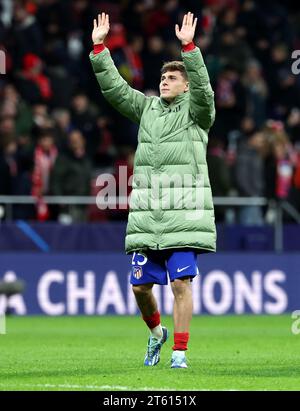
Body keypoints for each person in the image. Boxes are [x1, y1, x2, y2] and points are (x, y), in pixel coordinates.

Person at [90, 12, 216, 368]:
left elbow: (205, 89)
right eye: (162, 76)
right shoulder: (146, 109)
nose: (164, 81)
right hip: (148, 216)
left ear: (185, 85)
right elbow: (115, 90)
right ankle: (157, 333)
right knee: (140, 289)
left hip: (184, 214)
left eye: (172, 77)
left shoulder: (197, 113)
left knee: (180, 286)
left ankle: (179, 353)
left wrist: (190, 48)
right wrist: (100, 49)